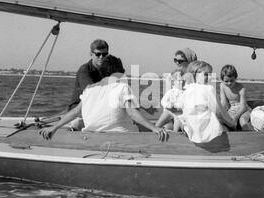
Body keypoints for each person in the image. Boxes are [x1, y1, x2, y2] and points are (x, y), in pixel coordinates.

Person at [40, 55, 168, 141]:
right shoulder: (121, 87)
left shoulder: (89, 89)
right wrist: (155, 128)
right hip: (122, 136)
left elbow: (75, 112)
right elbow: (132, 113)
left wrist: (54, 127)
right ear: (119, 72)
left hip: (92, 137)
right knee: (156, 127)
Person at [178, 61, 236, 143]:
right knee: (227, 129)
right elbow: (219, 111)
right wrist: (232, 123)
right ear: (195, 75)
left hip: (190, 127)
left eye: (210, 74)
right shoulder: (209, 89)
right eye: (206, 74)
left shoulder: (187, 89)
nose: (209, 77)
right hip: (204, 131)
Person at [68, 39, 112, 110]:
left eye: (104, 54)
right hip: (80, 107)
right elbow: (91, 91)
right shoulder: (84, 70)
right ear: (91, 54)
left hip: (99, 105)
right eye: (98, 54)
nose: (101, 57)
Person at [219, 65, 253, 131]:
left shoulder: (241, 88)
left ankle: (248, 136)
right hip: (232, 110)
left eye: (231, 80)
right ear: (222, 80)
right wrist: (221, 114)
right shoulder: (222, 86)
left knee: (242, 120)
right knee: (222, 121)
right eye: (226, 81)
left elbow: (243, 107)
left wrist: (235, 118)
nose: (229, 83)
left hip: (244, 110)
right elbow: (224, 103)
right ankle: (227, 136)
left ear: (235, 78)